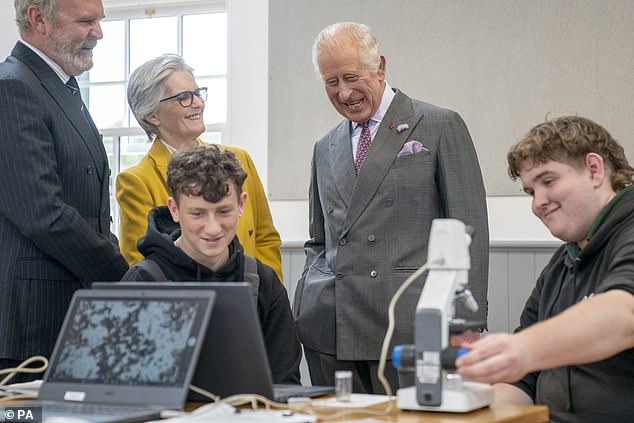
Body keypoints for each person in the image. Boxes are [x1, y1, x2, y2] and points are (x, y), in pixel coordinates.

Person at [293, 22, 489, 394]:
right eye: (331, 82)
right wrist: (307, 299)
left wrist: (466, 321)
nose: (345, 93)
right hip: (331, 327)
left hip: (408, 324)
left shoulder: (438, 125)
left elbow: (469, 228)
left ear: (380, 67)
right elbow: (318, 241)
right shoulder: (324, 146)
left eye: (351, 77)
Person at [456, 116, 634, 422]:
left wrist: (521, 349)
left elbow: (623, 315)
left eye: (549, 182)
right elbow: (523, 382)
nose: (538, 203)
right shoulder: (561, 264)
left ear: (594, 169)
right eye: (530, 192)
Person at [0, 0, 129, 379]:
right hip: (30, 328)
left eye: (100, 21)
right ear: (39, 18)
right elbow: (43, 214)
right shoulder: (12, 89)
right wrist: (122, 274)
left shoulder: (61, 87)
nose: (99, 33)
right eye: (86, 21)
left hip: (68, 317)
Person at [121, 145, 301, 384]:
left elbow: (285, 383)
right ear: (174, 209)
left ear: (241, 204)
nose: (213, 228)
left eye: (224, 211)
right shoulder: (141, 283)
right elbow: (124, 389)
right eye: (198, 214)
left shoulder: (264, 282)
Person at [116, 54, 283, 281]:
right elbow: (142, 263)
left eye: (197, 93)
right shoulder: (136, 180)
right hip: (186, 306)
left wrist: (263, 296)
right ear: (151, 115)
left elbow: (265, 239)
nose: (198, 103)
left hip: (250, 301)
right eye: (184, 97)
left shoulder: (239, 159)